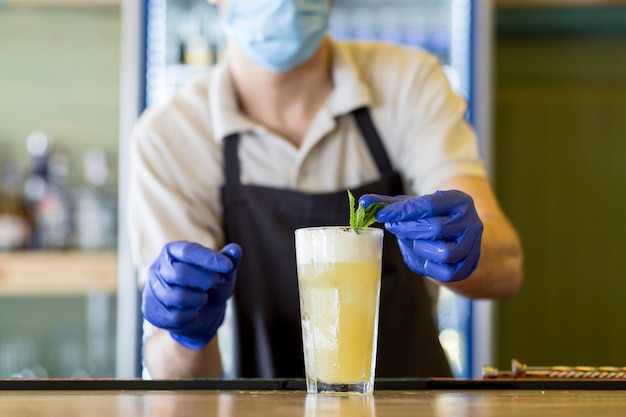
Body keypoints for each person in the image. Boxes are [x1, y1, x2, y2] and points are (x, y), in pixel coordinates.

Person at [128, 0, 523, 380]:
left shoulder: (409, 82)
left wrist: (467, 250)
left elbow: (507, 267)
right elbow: (175, 373)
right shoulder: (169, 138)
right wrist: (186, 335)